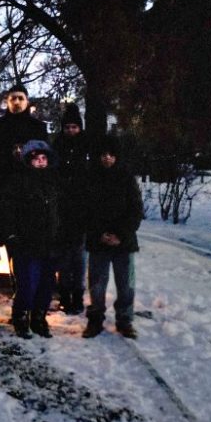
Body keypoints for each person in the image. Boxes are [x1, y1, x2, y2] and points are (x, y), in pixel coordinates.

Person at [0, 140, 61, 339]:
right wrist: (11, 235)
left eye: (44, 158)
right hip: (26, 244)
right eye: (36, 159)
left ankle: (39, 318)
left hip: (49, 244)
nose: (41, 162)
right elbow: (8, 211)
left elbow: (61, 211)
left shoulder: (53, 182)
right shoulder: (18, 182)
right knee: (27, 284)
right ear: (28, 161)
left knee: (46, 285)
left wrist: (60, 236)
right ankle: (20, 317)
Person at [83, 136, 143, 340]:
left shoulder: (127, 178)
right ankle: (95, 319)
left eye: (111, 154)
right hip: (98, 241)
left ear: (117, 156)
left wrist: (120, 235)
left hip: (123, 243)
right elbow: (86, 211)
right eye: (103, 154)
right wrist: (100, 234)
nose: (107, 158)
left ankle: (125, 320)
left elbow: (135, 210)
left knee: (126, 286)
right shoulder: (91, 178)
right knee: (97, 285)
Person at [52, 103, 90, 315]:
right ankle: (65, 294)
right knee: (63, 259)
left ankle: (78, 294)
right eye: (67, 127)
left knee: (79, 259)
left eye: (74, 127)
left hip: (81, 211)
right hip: (62, 211)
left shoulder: (86, 148)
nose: (71, 131)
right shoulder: (57, 146)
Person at [0, 83, 48, 178]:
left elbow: (44, 156)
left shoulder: (39, 127)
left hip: (32, 178)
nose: (16, 102)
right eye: (13, 98)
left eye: (21, 98)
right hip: (2, 177)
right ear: (7, 101)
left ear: (27, 102)